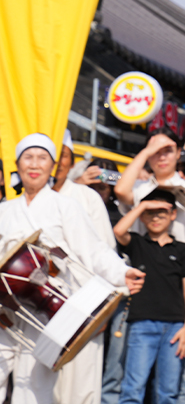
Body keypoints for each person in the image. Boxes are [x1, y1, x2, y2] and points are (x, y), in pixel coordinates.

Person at [0, 134, 144, 404]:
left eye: (42, 158)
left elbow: (94, 249)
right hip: (5, 308)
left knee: (34, 386)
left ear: (52, 165)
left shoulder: (66, 206)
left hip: (47, 308)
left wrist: (121, 273)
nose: (35, 164)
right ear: (17, 164)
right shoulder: (4, 211)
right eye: (28, 158)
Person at [48, 132, 118, 404]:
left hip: (84, 304)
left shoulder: (88, 197)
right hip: (38, 307)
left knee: (82, 386)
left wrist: (101, 309)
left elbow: (106, 255)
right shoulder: (18, 201)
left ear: (71, 160)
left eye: (61, 156)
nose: (54, 163)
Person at [114, 188, 185, 404]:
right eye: (151, 212)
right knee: (132, 390)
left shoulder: (183, 250)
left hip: (175, 328)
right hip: (142, 325)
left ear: (172, 215)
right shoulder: (137, 243)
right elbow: (119, 230)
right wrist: (142, 205)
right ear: (142, 215)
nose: (156, 217)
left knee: (169, 393)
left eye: (162, 211)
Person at [115, 131, 185, 253]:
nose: (162, 157)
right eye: (155, 151)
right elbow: (120, 191)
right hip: (140, 265)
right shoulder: (138, 187)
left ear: (178, 152)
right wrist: (145, 152)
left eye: (168, 151)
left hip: (180, 268)